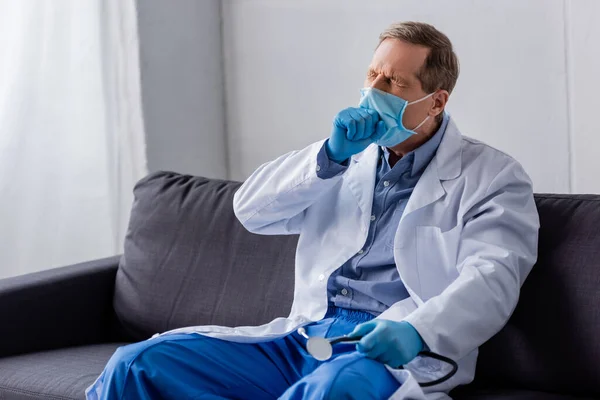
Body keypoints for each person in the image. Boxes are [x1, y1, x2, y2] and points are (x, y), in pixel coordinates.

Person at [87, 21, 539, 400]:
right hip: (304, 336)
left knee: (329, 392)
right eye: (373, 75)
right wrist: (330, 156)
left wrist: (418, 332)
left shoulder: (492, 176)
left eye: (395, 82)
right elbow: (249, 210)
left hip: (383, 350)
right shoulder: (345, 157)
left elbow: (492, 277)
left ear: (436, 102)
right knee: (137, 365)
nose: (374, 91)